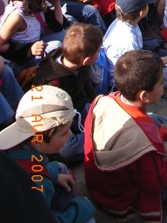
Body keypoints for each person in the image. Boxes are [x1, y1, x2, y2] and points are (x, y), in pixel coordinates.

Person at [84, 50, 167, 221]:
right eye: (161, 83)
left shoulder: (105, 100)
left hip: (105, 180)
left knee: (153, 118)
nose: (164, 86)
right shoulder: (141, 141)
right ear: (144, 95)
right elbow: (156, 181)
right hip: (124, 194)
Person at [0, 85, 96, 223]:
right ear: (38, 141)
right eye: (63, 133)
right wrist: (81, 207)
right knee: (89, 220)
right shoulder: (40, 185)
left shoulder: (9, 149)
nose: (70, 135)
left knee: (59, 167)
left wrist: (51, 173)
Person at [29, 23, 103, 162]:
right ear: (86, 59)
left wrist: (97, 105)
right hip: (56, 121)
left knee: (100, 109)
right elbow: (47, 124)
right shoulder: (51, 83)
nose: (99, 53)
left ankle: (97, 134)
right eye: (98, 51)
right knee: (67, 149)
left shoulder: (81, 65)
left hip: (76, 109)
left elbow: (86, 89)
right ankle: (101, 137)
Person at [100, 0, 167, 94]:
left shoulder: (123, 22)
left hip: (132, 60)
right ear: (141, 12)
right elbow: (135, 69)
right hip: (123, 79)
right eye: (147, 5)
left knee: (159, 49)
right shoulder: (129, 39)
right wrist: (159, 62)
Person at [0, 0, 66, 72]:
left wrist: (56, 4)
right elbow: (1, 45)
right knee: (56, 46)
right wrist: (29, 49)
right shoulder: (16, 16)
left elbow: (58, 26)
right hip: (20, 60)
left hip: (35, 46)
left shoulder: (35, 5)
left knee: (66, 35)